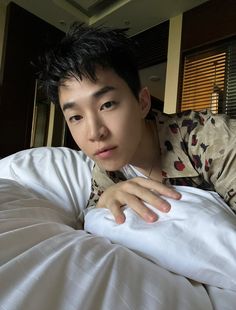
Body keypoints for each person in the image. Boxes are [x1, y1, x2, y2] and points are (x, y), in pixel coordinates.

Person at [38, 22, 236, 224]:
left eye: (107, 105)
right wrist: (103, 203)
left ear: (142, 102)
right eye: (76, 117)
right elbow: (86, 228)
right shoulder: (106, 169)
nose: (94, 133)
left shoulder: (210, 137)